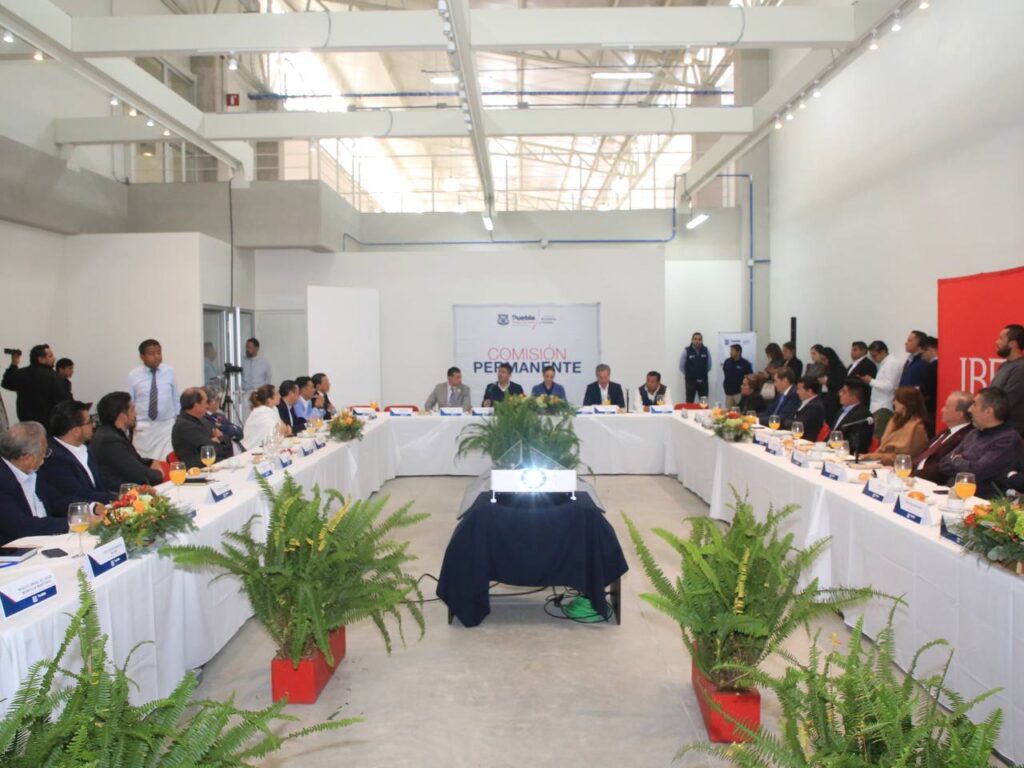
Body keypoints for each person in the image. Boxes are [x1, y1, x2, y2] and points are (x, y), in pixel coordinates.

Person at [938, 387, 1024, 498]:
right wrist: (965, 463)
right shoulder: (973, 434)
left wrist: (956, 460)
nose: (969, 409)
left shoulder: (1007, 440)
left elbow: (976, 473)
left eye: (974, 405)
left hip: (980, 502)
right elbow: (943, 464)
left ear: (988, 411)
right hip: (952, 493)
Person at [37, 400, 117, 512]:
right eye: (89, 422)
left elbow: (102, 482)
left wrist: (128, 491)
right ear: (75, 430)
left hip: (102, 507)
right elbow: (77, 493)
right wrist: (116, 498)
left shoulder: (83, 448)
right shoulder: (53, 457)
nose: (94, 425)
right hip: (81, 515)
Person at [0, 422, 70, 545]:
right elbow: (23, 527)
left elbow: (57, 501)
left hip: (48, 542)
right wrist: (72, 523)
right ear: (28, 459)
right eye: (44, 452)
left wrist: (89, 509)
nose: (45, 457)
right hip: (17, 551)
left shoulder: (32, 472)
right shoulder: (3, 482)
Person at [90, 391, 164, 489]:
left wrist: (151, 462)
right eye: (132, 410)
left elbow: (132, 460)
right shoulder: (110, 442)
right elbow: (140, 476)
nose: (135, 414)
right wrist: (159, 474)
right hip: (118, 495)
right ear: (123, 417)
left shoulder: (109, 434)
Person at [126, 339, 179, 462]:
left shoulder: (169, 371)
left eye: (159, 353)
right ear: (142, 356)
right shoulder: (133, 375)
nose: (156, 357)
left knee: (167, 460)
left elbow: (175, 397)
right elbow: (130, 401)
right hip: (143, 425)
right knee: (144, 460)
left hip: (166, 425)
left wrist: (177, 419)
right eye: (151, 354)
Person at [912, 391, 974, 484]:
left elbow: (941, 468)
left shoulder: (966, 437)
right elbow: (922, 455)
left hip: (927, 482)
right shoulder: (945, 432)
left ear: (959, 414)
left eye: (946, 407)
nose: (942, 410)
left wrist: (912, 475)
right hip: (914, 476)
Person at [2, 344, 69, 427]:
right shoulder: (54, 377)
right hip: (48, 426)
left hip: (26, 425)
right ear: (40, 359)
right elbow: (63, 403)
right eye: (50, 356)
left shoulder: (21, 373)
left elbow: (6, 383)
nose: (54, 358)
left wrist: (14, 364)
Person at [863, 387, 930, 466]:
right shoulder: (894, 421)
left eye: (896, 400)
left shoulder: (917, 428)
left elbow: (910, 457)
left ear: (906, 403)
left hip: (900, 468)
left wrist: (876, 457)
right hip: (880, 463)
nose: (894, 402)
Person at [171, 388, 222, 470]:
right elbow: (210, 450)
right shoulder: (184, 426)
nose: (207, 406)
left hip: (214, 465)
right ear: (196, 405)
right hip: (198, 471)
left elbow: (224, 440)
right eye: (205, 402)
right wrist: (215, 441)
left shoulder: (203, 420)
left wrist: (216, 440)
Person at [860, 340, 901, 434]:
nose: (873, 359)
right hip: (878, 407)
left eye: (874, 356)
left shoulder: (891, 363)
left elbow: (889, 386)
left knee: (878, 436)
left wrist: (871, 381)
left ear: (882, 352)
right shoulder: (885, 364)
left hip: (883, 407)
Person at [991, 324, 1024, 435]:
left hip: (1010, 433)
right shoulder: (1005, 366)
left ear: (1013, 343)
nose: (997, 342)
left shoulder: (1020, 369)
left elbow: (1007, 402)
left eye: (1001, 338)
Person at [829, 379, 874, 455]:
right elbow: (833, 432)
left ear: (854, 397)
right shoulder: (841, 410)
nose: (840, 394)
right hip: (832, 451)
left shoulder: (863, 415)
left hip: (846, 454)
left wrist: (831, 448)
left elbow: (856, 443)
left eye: (844, 392)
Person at [243, 385, 288, 450]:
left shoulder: (273, 409)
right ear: (269, 400)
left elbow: (284, 429)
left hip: (267, 448)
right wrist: (284, 430)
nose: (280, 396)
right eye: (277, 394)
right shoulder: (261, 413)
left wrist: (284, 430)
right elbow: (279, 432)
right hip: (253, 450)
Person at [203, 385, 244, 456]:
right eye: (217, 400)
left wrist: (225, 428)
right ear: (210, 402)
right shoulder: (204, 419)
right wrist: (230, 430)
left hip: (239, 450)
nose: (219, 403)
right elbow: (222, 435)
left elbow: (240, 432)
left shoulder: (219, 415)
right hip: (227, 454)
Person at [679, 332, 711, 403]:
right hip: (690, 382)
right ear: (692, 340)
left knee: (704, 403)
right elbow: (681, 367)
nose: (697, 341)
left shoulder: (706, 350)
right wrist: (690, 374)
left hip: (703, 381)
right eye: (695, 339)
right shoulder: (686, 351)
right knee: (689, 401)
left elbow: (709, 366)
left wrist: (701, 373)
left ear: (702, 341)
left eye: (699, 339)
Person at [792, 376, 826, 442]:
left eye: (799, 389)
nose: (797, 392)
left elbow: (799, 424)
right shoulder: (804, 402)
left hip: (806, 441)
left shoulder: (815, 406)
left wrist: (783, 421)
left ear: (809, 391)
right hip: (797, 437)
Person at [920, 336, 939, 429]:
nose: (922, 357)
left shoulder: (931, 367)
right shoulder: (943, 364)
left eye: (922, 353)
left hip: (931, 407)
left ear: (930, 350)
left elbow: (927, 389)